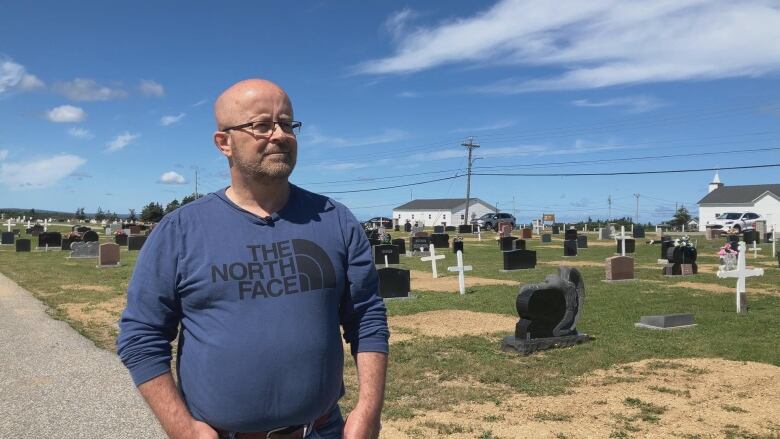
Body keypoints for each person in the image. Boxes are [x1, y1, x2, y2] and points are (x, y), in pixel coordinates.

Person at [117, 79, 389, 439]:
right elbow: (141, 335)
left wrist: (368, 412)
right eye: (262, 125)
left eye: (288, 123)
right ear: (224, 142)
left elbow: (366, 318)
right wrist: (181, 429)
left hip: (323, 430)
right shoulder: (180, 230)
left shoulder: (335, 220)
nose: (280, 135)